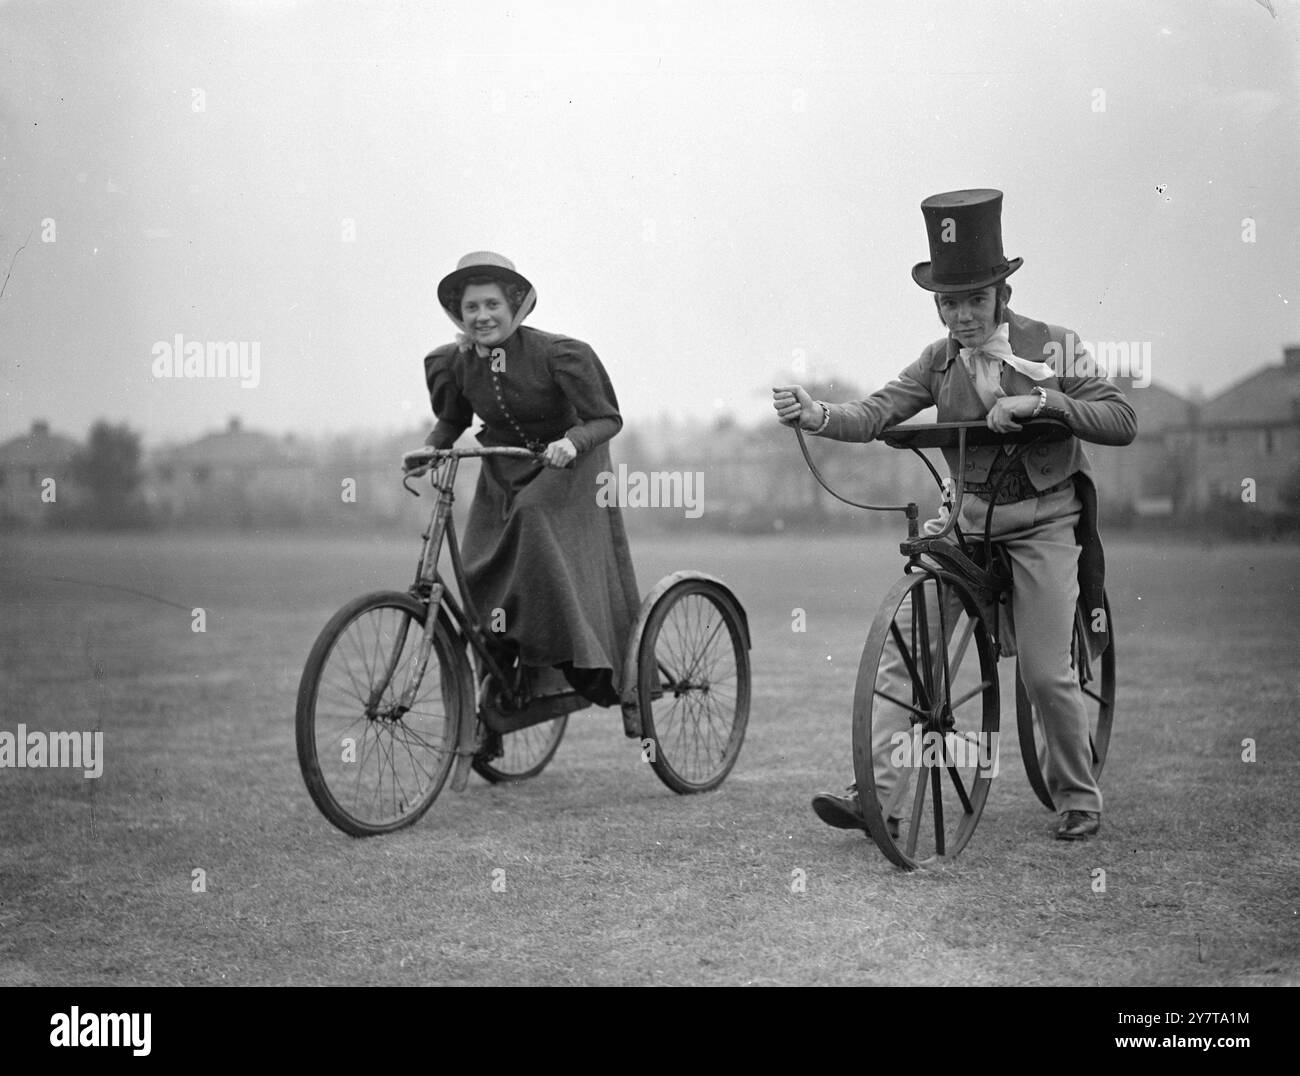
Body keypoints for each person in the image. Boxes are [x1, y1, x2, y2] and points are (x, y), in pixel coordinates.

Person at [773, 189, 1136, 841]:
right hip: (964, 527)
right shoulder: (937, 361)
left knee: (1046, 671)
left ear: (1002, 294)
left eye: (973, 299)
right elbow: (880, 410)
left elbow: (1120, 418)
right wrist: (818, 414)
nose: (961, 315)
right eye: (949, 302)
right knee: (905, 654)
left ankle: (1079, 796)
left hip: (1043, 524)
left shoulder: (1057, 346)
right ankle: (876, 795)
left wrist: (1045, 403)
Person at [423, 251, 641, 707]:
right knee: (476, 563)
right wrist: (430, 447)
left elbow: (606, 418)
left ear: (515, 305)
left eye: (492, 305)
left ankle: (568, 651)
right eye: (471, 308)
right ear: (459, 314)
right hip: (503, 468)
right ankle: (496, 688)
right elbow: (452, 420)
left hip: (571, 465)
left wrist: (573, 442)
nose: (482, 317)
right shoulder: (455, 363)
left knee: (532, 515)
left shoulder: (559, 354)